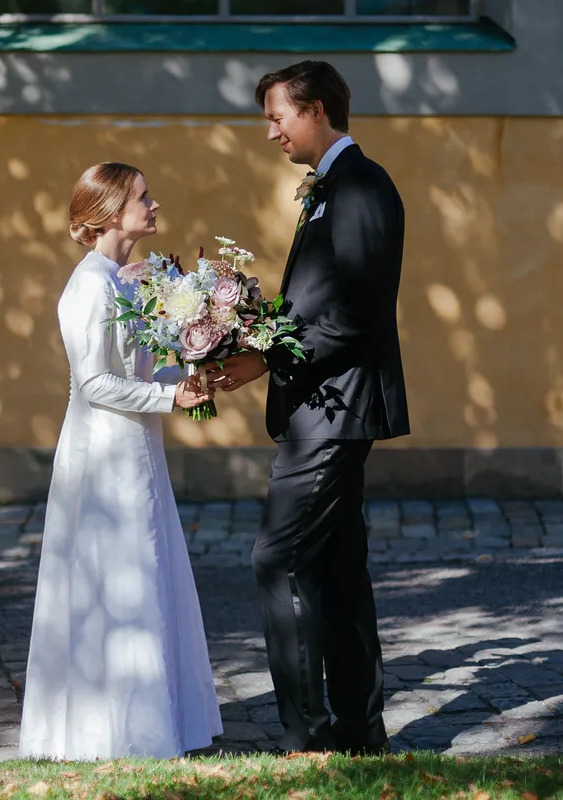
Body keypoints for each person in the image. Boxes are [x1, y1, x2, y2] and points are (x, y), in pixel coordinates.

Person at [208, 61, 410, 755]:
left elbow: (358, 313)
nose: (271, 132)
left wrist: (267, 356)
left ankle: (309, 741)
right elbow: (321, 304)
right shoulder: (332, 189)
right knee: (335, 568)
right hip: (318, 405)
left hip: (336, 408)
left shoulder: (362, 186)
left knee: (279, 557)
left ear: (316, 110)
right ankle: (358, 735)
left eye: (277, 117)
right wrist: (247, 328)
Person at [17, 162, 223, 761]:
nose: (154, 204)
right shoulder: (89, 286)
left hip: (137, 445)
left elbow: (132, 367)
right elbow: (94, 383)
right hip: (105, 451)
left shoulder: (125, 280)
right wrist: (168, 396)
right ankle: (106, 728)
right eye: (142, 196)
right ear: (109, 211)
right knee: (117, 572)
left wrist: (192, 373)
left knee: (147, 564)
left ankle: (154, 719)